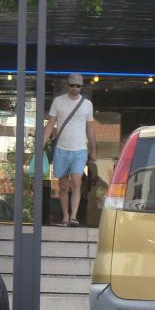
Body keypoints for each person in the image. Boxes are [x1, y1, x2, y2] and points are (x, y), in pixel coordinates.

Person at [43, 73, 97, 227]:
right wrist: (42, 142)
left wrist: (93, 149)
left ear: (82, 87)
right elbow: (50, 123)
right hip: (61, 149)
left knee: (76, 183)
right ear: (67, 85)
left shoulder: (87, 104)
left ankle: (73, 216)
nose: (75, 88)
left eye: (78, 86)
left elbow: (90, 128)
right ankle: (65, 217)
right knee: (63, 185)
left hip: (79, 149)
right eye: (72, 85)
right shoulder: (58, 101)